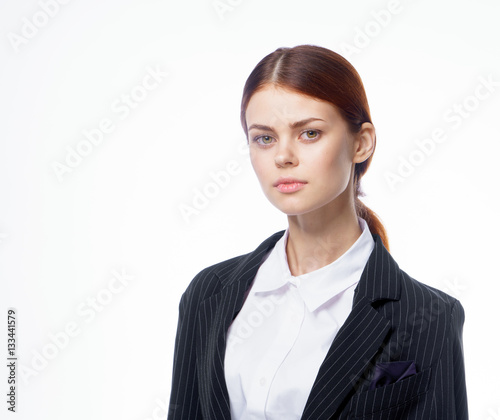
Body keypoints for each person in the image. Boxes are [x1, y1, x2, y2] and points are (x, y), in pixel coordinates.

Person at [167, 44, 468, 420]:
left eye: (309, 133)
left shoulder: (429, 318)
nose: (283, 156)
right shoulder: (208, 292)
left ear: (361, 143)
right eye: (264, 138)